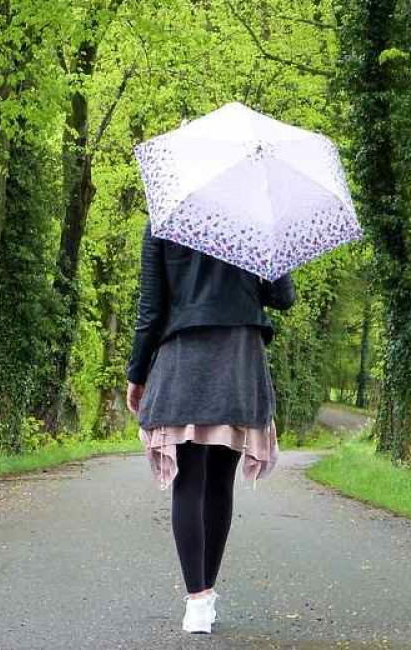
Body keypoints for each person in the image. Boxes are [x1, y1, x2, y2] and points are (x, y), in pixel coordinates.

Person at [125, 221, 296, 634]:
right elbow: (283, 297)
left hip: (184, 355)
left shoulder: (164, 223)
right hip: (238, 357)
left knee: (190, 479)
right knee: (221, 482)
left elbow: (152, 309)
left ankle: (197, 601)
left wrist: (137, 372)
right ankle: (206, 596)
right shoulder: (254, 221)